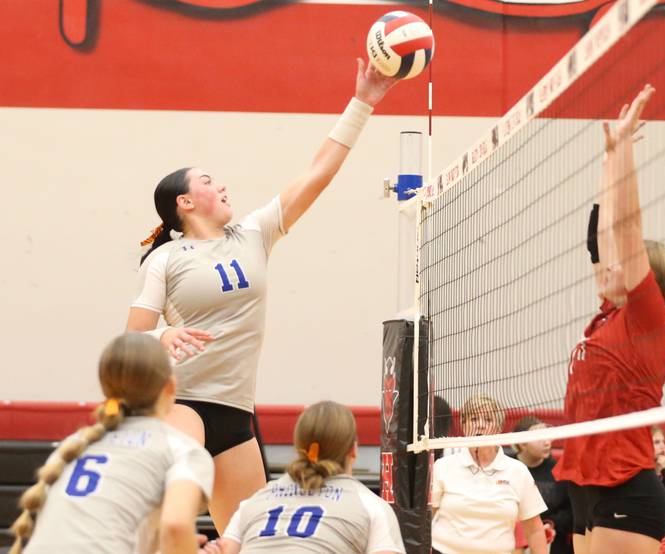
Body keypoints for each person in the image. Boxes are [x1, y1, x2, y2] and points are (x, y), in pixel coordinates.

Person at [125, 59, 398, 533]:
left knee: (250, 535)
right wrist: (164, 335)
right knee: (168, 525)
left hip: (235, 412)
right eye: (208, 181)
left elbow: (317, 174)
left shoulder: (252, 234)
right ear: (184, 204)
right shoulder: (165, 260)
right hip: (179, 399)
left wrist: (364, 102)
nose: (222, 183)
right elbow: (130, 343)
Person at [552, 85, 665, 554]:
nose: (608, 266)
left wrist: (628, 153)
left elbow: (627, 228)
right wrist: (610, 159)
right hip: (585, 484)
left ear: (645, 284)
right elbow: (603, 235)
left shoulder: (647, 320)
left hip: (626, 488)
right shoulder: (610, 315)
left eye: (621, 265)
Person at [9, 333, 214, 554]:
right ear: (171, 386)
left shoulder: (75, 443)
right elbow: (176, 526)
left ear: (107, 390)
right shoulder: (180, 448)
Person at [201, 401, 405, 554]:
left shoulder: (256, 500)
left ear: (299, 448)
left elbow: (222, 550)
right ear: (353, 450)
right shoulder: (370, 505)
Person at [431, 395, 549, 554]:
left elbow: (535, 530)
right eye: (473, 419)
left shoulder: (517, 471)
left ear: (499, 428)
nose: (480, 425)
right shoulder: (443, 466)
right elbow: (425, 520)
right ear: (463, 426)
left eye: (488, 420)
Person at [512, 416, 573, 554]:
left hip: (553, 541)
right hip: (511, 539)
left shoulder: (559, 471)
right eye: (540, 437)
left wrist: (551, 524)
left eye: (548, 436)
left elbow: (571, 512)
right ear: (522, 443)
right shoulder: (508, 468)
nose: (547, 442)